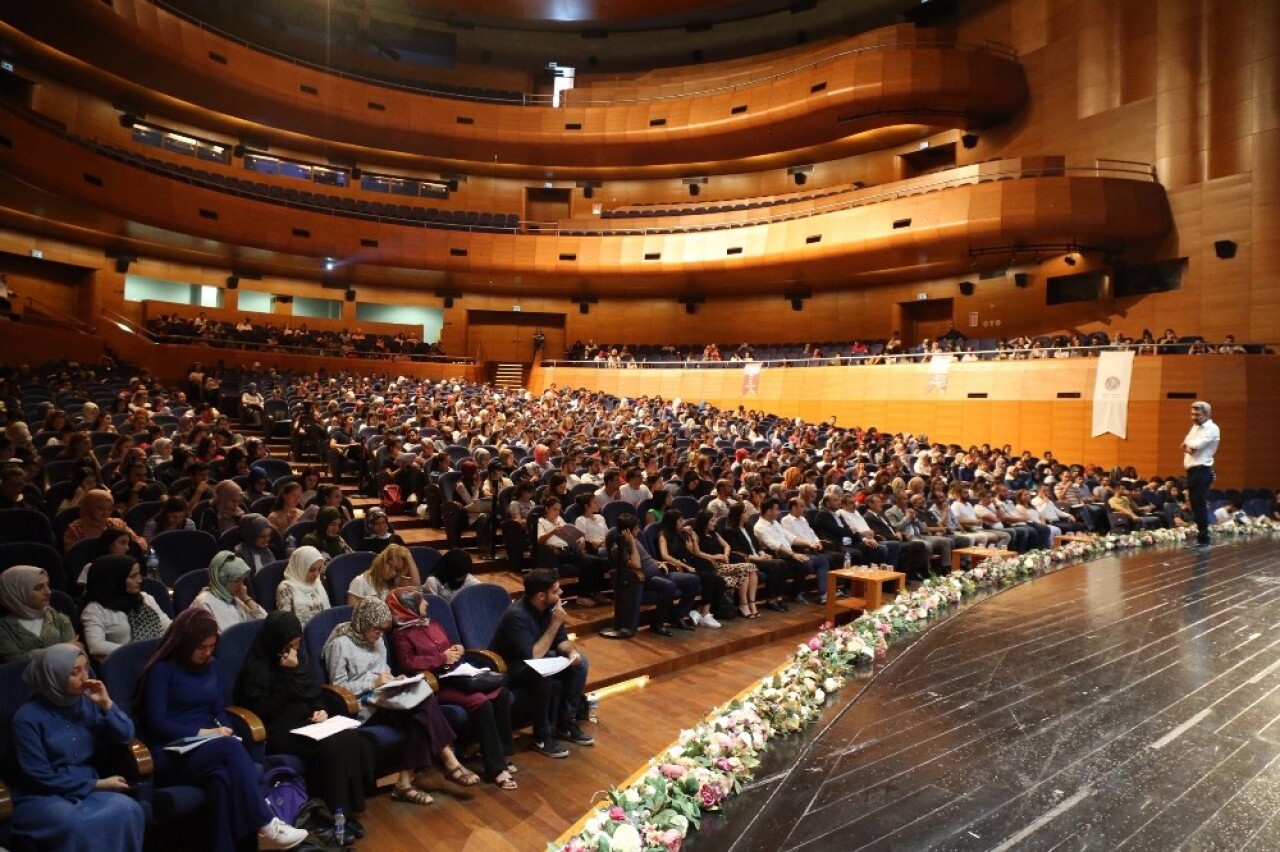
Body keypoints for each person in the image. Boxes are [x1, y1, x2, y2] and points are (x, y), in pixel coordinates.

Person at [137, 610, 309, 851]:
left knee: (223, 779)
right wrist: (205, 734)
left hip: (210, 750)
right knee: (230, 749)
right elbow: (158, 723)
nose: (207, 653)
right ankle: (267, 823)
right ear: (185, 644)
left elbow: (218, 709)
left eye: (211, 647)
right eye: (201, 648)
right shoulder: (162, 671)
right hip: (170, 752)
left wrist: (224, 728)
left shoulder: (213, 667)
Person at [321, 598, 476, 803]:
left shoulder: (378, 640)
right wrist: (372, 683)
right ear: (364, 622)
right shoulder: (340, 645)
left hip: (386, 698)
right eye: (377, 629)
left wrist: (395, 680)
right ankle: (446, 759)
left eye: (384, 630)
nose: (380, 635)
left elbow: (384, 670)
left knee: (421, 697)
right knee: (422, 708)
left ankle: (406, 782)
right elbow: (339, 687)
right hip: (363, 706)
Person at [235, 611, 378, 817]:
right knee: (333, 745)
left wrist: (321, 710)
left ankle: (350, 808)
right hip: (279, 730)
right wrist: (284, 674)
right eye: (287, 647)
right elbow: (265, 711)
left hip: (309, 723)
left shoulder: (300, 659)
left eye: (297, 644)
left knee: (350, 737)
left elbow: (313, 692)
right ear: (275, 643)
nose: (293, 651)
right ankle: (335, 814)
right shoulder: (256, 668)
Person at [9, 644, 146, 852]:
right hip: (42, 795)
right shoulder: (27, 718)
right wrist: (97, 784)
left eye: (86, 668)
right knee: (78, 825)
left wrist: (106, 703)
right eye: (75, 672)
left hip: (86, 783)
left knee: (129, 809)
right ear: (53, 677)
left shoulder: (87, 701)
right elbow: (38, 776)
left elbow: (125, 735)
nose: (85, 677)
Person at [386, 586, 518, 790]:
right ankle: (496, 769)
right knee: (481, 702)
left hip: (459, 675)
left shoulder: (433, 624)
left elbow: (449, 645)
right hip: (438, 683)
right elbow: (407, 663)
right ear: (408, 606)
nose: (427, 603)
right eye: (421, 601)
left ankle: (500, 752)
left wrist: (457, 649)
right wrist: (441, 658)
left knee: (501, 693)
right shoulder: (402, 635)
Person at [491, 569, 594, 759]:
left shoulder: (550, 609)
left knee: (580, 662)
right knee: (541, 672)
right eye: (556, 591)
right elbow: (533, 655)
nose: (561, 593)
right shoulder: (516, 615)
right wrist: (555, 624)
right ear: (541, 596)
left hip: (537, 660)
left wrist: (571, 652)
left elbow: (561, 642)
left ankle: (565, 722)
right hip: (509, 667)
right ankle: (541, 735)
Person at [79, 554, 170, 658]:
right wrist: (138, 650)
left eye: (139, 574)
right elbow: (95, 646)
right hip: (126, 663)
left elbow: (168, 627)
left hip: (159, 657)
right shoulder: (96, 609)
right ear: (114, 579)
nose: (139, 580)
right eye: (133, 576)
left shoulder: (145, 599)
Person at [0, 565, 77, 664]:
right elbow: (15, 660)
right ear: (17, 592)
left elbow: (74, 657)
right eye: (39, 587)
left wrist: (30, 654)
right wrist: (61, 649)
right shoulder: (4, 627)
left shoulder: (59, 619)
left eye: (47, 585)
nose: (48, 592)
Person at [689, 509, 758, 618]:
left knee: (751, 570)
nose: (715, 523)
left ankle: (751, 603)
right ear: (705, 522)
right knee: (750, 567)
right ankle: (743, 604)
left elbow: (727, 545)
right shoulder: (696, 535)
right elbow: (697, 553)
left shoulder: (714, 533)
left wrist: (725, 555)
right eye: (712, 521)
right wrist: (714, 557)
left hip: (723, 563)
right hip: (711, 565)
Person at [190, 551, 267, 632]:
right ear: (222, 580)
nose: (241, 585)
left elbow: (264, 622)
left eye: (242, 580)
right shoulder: (204, 603)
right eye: (236, 580)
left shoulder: (235, 598)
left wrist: (246, 598)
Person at [1182, 400, 1220, 548]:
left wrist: (1189, 447)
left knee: (1199, 505)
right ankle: (1201, 537)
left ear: (1207, 414)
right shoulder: (1195, 427)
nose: (1193, 417)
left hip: (1201, 470)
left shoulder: (1212, 429)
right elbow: (1185, 444)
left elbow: (1195, 446)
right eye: (1192, 414)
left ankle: (1203, 540)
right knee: (1196, 505)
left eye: (1197, 414)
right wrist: (1188, 447)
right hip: (1193, 471)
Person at [276, 545, 331, 626]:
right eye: (312, 570)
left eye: (319, 569)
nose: (316, 574)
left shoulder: (318, 583)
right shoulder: (285, 588)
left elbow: (327, 614)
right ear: (300, 567)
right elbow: (286, 624)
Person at [347, 542, 417, 605]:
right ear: (382, 560)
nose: (393, 573)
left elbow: (416, 587)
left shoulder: (395, 581)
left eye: (397, 570)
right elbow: (353, 615)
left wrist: (409, 557)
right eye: (390, 566)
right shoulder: (360, 582)